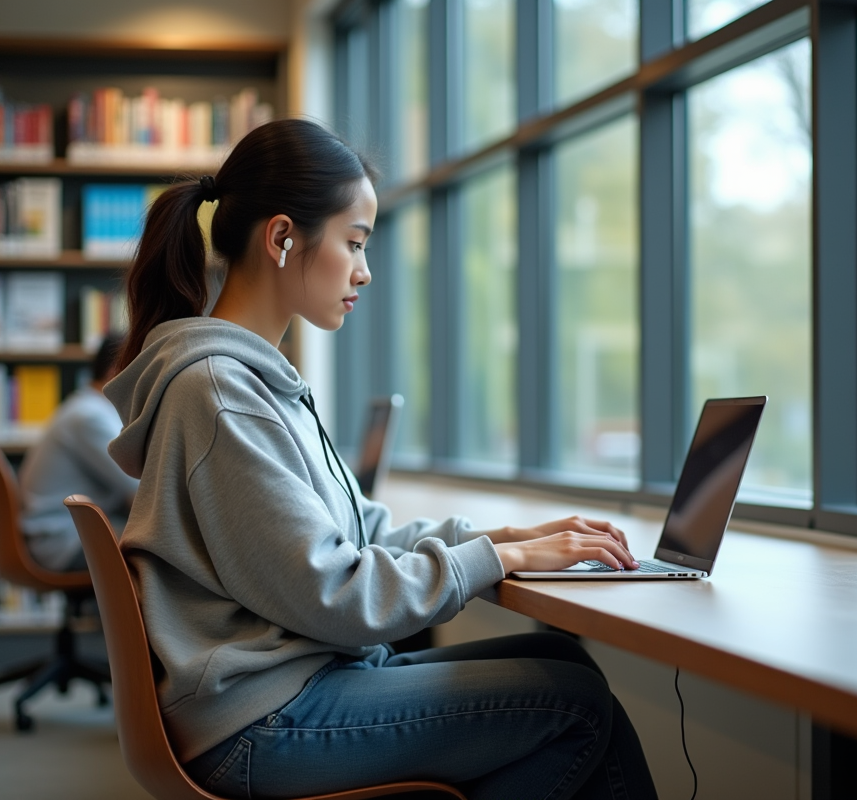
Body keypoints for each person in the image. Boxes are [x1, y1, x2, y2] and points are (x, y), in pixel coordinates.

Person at [103, 118, 659, 800]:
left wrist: (508, 541)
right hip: (262, 721)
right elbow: (339, 595)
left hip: (288, 688)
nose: (364, 271)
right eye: (355, 243)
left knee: (560, 658)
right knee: (574, 705)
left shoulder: (256, 382)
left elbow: (361, 535)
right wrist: (500, 563)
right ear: (282, 237)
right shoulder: (221, 393)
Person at [19, 334, 138, 571]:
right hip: (64, 541)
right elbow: (138, 487)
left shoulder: (86, 408)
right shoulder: (90, 417)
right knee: (166, 553)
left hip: (62, 532)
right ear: (116, 370)